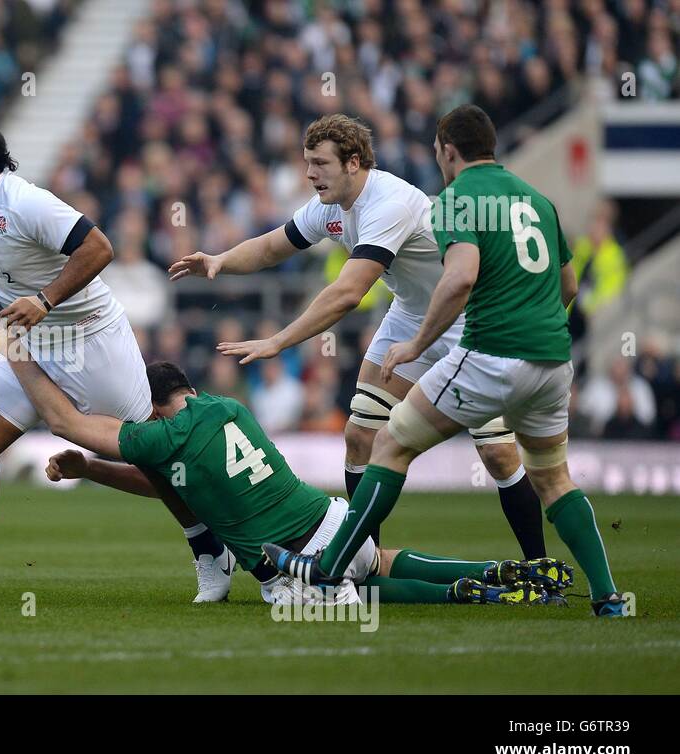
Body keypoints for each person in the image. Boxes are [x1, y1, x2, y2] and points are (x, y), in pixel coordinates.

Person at [263, 105, 627, 618]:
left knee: (389, 444)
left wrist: (416, 344)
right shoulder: (538, 200)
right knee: (553, 478)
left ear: (447, 151)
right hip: (550, 358)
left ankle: (330, 573)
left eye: (437, 151)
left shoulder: (456, 199)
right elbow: (568, 286)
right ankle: (606, 596)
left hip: (487, 350)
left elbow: (457, 281)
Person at [0, 111, 234, 602]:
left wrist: (45, 299)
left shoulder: (28, 203)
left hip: (90, 338)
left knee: (149, 453)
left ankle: (210, 550)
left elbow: (99, 247)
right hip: (28, 342)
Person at [170, 114, 547, 560]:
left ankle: (539, 567)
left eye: (320, 164)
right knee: (359, 437)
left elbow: (349, 294)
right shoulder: (329, 206)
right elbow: (274, 246)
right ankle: (368, 562)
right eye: (307, 163)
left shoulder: (389, 202)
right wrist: (220, 260)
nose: (309, 174)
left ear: (353, 163)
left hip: (472, 320)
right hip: (411, 315)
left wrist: (278, 341)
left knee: (499, 457)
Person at [2, 349, 567, 607]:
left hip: (297, 555)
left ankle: (479, 593)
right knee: (382, 559)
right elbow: (169, 483)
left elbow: (65, 422)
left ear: (152, 409)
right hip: (337, 520)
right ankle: (506, 569)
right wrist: (93, 470)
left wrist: (19, 354)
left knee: (359, 596)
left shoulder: (162, 435)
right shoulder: (230, 407)